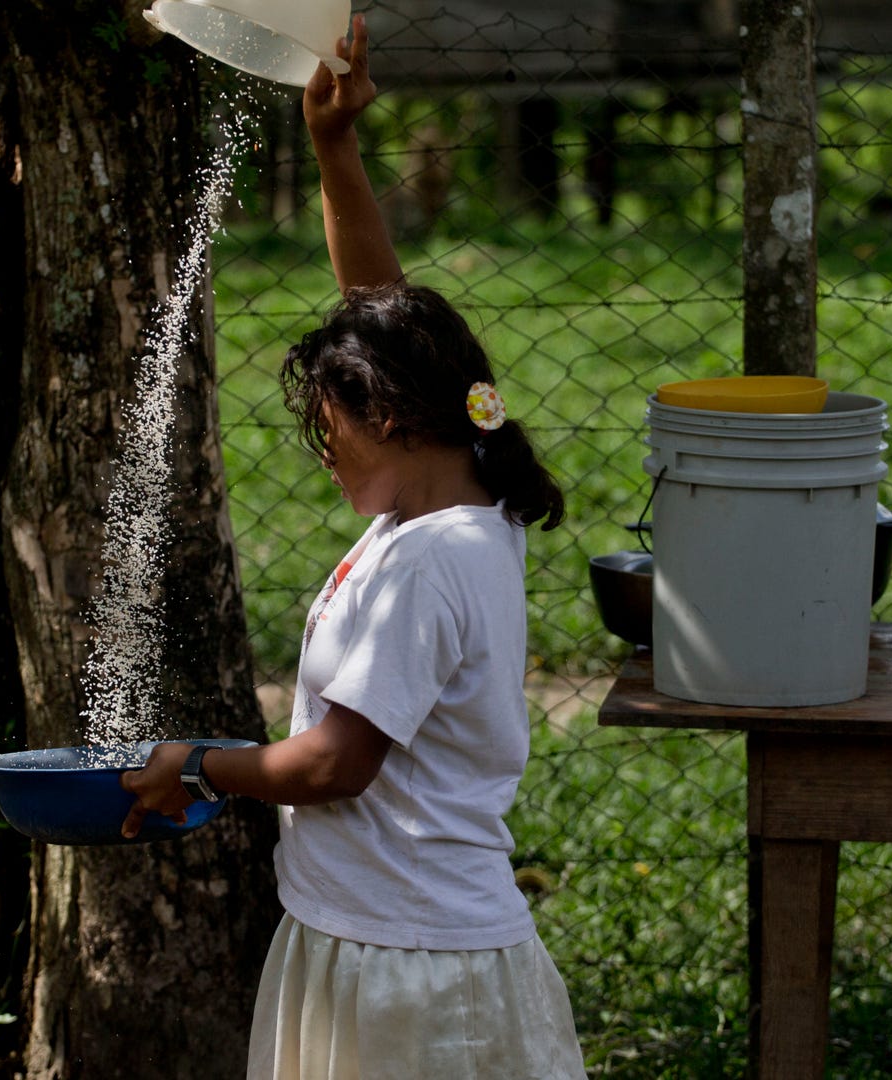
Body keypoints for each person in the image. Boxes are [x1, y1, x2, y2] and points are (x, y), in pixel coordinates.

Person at [121, 15, 588, 1079]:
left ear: (397, 419)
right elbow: (379, 315)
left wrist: (194, 766)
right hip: (382, 933)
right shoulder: (467, 505)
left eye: (331, 432)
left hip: (411, 971)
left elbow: (334, 765)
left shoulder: (426, 565)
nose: (322, 455)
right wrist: (335, 148)